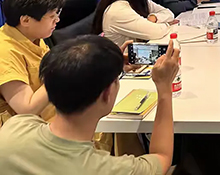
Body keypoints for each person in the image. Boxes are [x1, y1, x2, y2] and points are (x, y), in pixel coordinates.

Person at [0, 35, 180, 174]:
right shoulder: (115, 169)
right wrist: (164, 89)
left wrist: (103, 70)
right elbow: (162, 157)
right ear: (107, 94)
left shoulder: (14, 128)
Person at [0, 0, 63, 122]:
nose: (57, 20)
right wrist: (61, 74)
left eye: (57, 13)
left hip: (55, 112)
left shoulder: (32, 35)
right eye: (52, 16)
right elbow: (27, 109)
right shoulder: (4, 52)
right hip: (27, 128)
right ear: (26, 20)